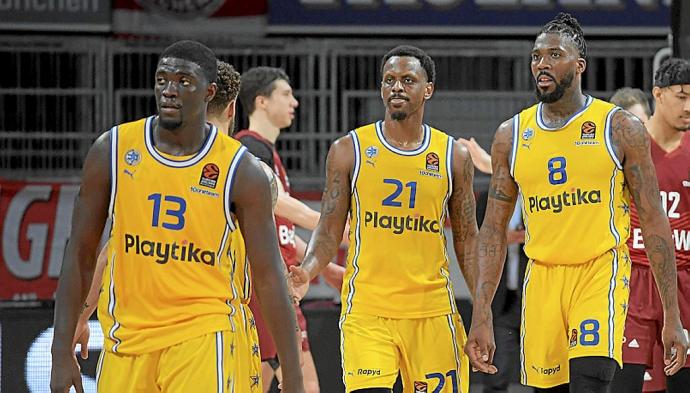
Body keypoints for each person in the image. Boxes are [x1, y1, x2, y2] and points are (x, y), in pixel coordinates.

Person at [49, 40, 305, 393]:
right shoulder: (113, 149)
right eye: (162, 79)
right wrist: (60, 349)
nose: (169, 90)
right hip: (128, 338)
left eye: (184, 81)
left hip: (202, 333)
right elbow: (83, 251)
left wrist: (293, 375)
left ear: (209, 92)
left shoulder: (240, 170)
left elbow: (269, 275)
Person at [465, 13, 688, 393]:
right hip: (543, 278)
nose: (542, 64)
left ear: (579, 64)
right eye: (536, 56)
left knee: (590, 381)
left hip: (599, 272)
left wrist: (672, 314)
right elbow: (493, 232)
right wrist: (481, 311)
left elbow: (653, 223)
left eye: (555, 55)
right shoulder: (511, 134)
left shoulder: (618, 128)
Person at [289, 45, 478, 393]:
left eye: (408, 80)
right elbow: (329, 229)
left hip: (431, 312)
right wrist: (308, 268)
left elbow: (467, 239)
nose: (396, 87)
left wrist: (483, 310)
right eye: (389, 80)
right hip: (367, 310)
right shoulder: (349, 150)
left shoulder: (454, 155)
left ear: (428, 89)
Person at [235, 66, 345, 393]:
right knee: (302, 386)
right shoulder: (249, 148)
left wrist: (325, 266)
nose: (294, 102)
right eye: (286, 94)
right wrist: (331, 225)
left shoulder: (268, 153)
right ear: (261, 102)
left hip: (276, 286)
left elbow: (280, 233)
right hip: (262, 288)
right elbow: (276, 202)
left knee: (267, 385)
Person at [610, 58, 690, 393]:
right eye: (682, 96)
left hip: (684, 280)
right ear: (657, 94)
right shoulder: (627, 146)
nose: (689, 106)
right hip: (634, 279)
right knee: (625, 384)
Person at [460, 137, 530, 393]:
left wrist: (520, 237)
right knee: (495, 374)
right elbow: (475, 242)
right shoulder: (488, 198)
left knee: (544, 374)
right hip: (501, 300)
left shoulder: (541, 194)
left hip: (535, 295)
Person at [609, 86, 663, 393]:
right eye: (627, 128)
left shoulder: (670, 161)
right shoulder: (605, 171)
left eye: (639, 126)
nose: (634, 136)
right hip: (625, 288)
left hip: (668, 287)